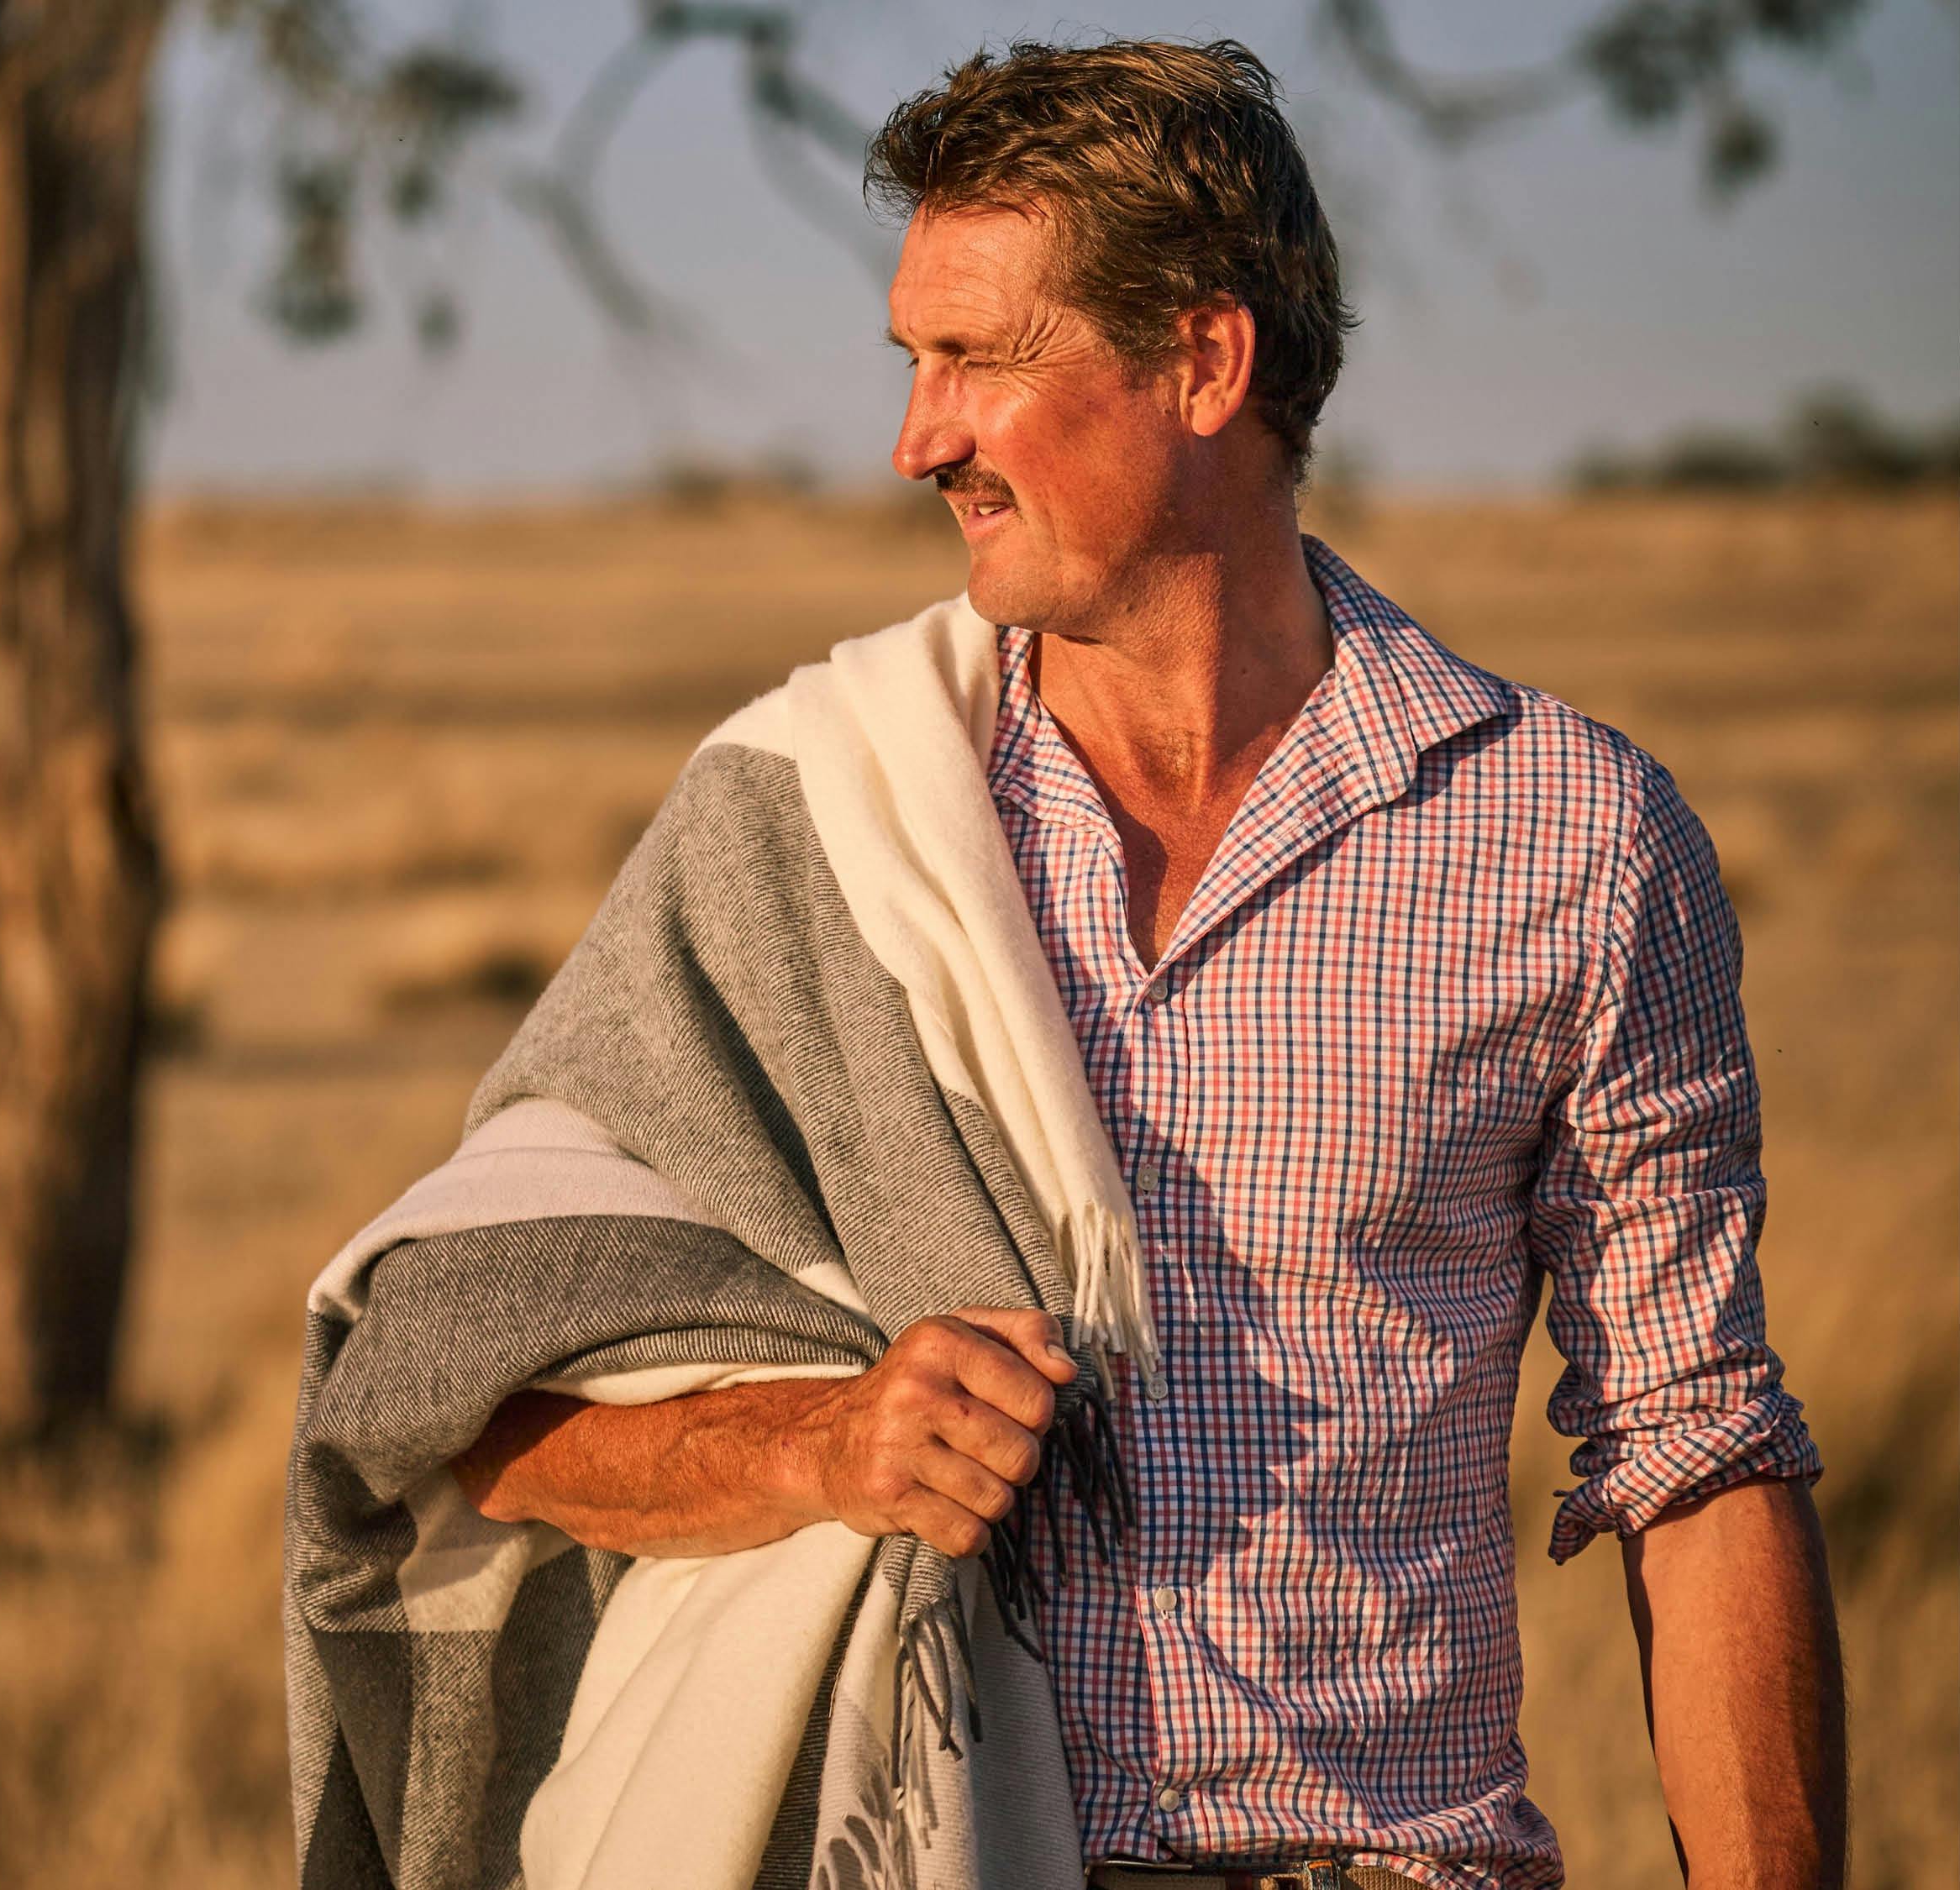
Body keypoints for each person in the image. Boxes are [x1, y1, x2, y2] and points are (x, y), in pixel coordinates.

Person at [292, 37, 1843, 1890]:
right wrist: (819, 1439)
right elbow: (454, 1393)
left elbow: (1701, 1456)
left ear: (1204, 363)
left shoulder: (1573, 846)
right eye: (912, 361)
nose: (917, 437)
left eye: (979, 361)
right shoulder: (826, 819)